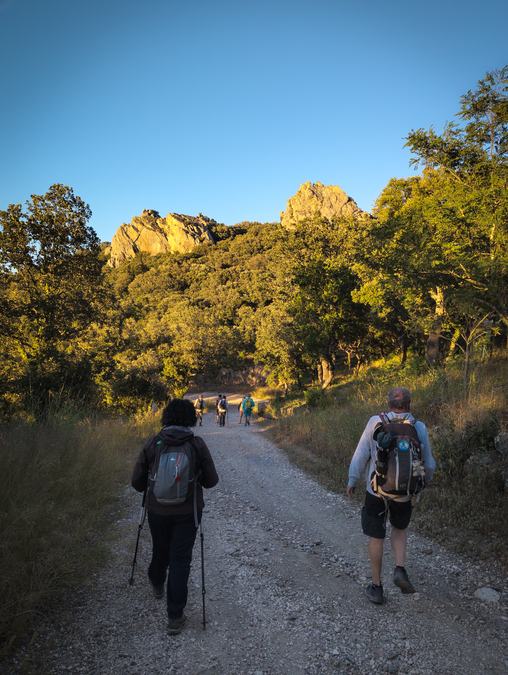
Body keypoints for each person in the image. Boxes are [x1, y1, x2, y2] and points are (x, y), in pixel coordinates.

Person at [131, 398, 219, 634]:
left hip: (157, 511)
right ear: (190, 418)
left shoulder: (153, 443)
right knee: (180, 560)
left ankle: (157, 580)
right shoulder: (197, 445)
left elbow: (137, 483)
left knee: (160, 550)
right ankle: (174, 617)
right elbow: (212, 481)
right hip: (187, 513)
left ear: (166, 417)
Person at [346, 387, 436, 605]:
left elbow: (361, 454)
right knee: (399, 529)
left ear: (388, 403)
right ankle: (399, 568)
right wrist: (424, 483)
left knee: (376, 536)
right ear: (409, 404)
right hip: (404, 492)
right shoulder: (418, 426)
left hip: (376, 490)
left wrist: (352, 479)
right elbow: (430, 464)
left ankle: (376, 588)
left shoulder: (375, 422)